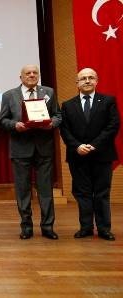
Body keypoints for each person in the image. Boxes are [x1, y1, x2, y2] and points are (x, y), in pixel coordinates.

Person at [0, 64, 61, 240]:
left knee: (45, 190)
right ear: (21, 77)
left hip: (44, 148)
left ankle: (48, 226)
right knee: (23, 190)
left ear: (38, 76)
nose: (32, 75)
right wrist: (15, 125)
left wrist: (52, 124)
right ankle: (26, 227)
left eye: (35, 73)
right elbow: (3, 120)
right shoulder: (9, 95)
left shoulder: (49, 92)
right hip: (20, 148)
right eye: (28, 73)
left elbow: (58, 115)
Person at [60, 67, 120, 241]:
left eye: (90, 77)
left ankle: (104, 229)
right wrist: (77, 146)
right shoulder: (68, 105)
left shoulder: (108, 101)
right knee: (82, 193)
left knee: (101, 193)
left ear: (96, 81)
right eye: (83, 78)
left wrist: (94, 145)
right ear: (77, 83)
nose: (87, 81)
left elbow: (113, 126)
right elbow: (64, 130)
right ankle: (85, 227)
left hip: (102, 155)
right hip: (77, 156)